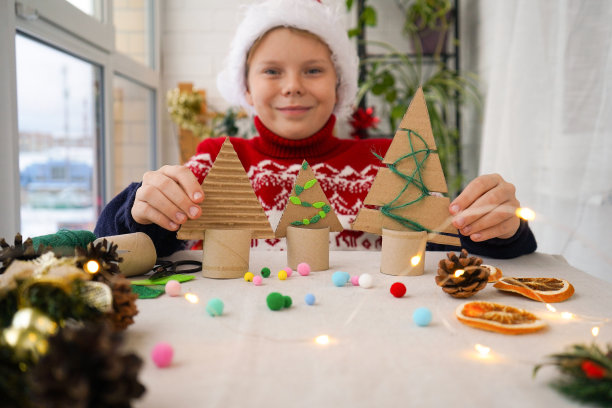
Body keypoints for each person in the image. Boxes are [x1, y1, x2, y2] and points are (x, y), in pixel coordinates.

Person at [95, 0, 536, 259]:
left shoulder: (385, 160)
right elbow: (118, 245)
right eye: (271, 71)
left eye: (312, 70)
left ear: (339, 84)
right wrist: (140, 206)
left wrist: (500, 228)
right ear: (245, 87)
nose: (292, 87)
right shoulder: (214, 159)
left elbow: (463, 247)